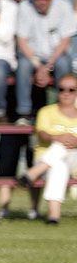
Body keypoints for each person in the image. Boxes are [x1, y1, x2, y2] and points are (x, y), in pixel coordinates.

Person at [15, 0, 75, 123]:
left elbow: (65, 41)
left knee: (63, 64)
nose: (42, 1)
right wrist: (39, 66)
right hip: (32, 56)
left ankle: (60, 108)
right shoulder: (25, 6)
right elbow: (21, 41)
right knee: (23, 65)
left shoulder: (63, 5)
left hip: (56, 55)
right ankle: (24, 113)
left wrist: (47, 66)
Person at [21, 73, 77, 225]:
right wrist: (59, 138)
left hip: (73, 159)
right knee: (59, 164)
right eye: (62, 89)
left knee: (62, 146)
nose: (66, 93)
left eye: (71, 90)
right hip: (49, 157)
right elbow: (42, 134)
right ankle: (54, 215)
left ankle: (33, 173)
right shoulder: (46, 111)